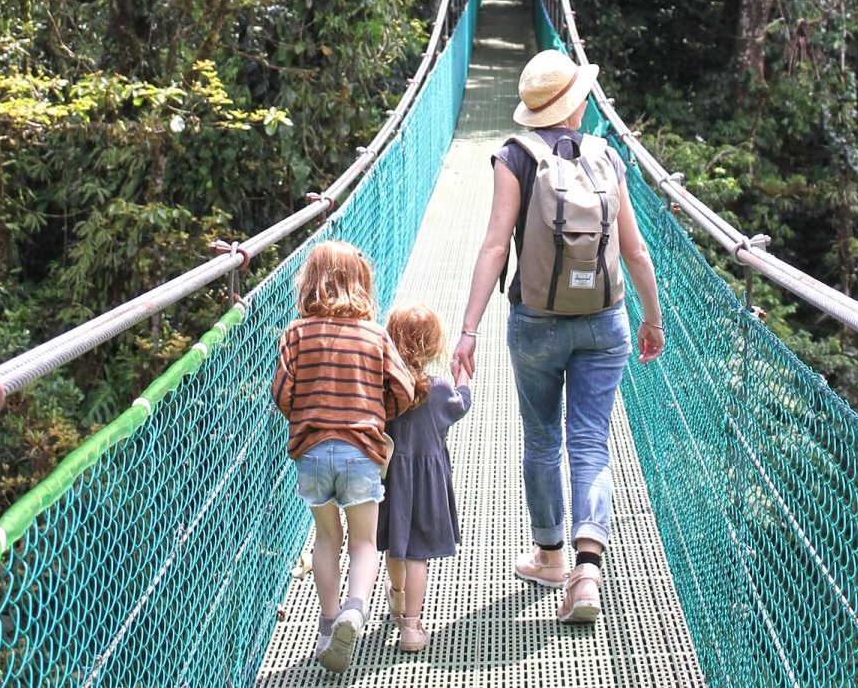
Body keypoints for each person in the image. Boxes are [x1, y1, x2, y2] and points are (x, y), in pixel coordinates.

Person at [451, 49, 666, 624]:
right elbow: (636, 250)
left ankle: (550, 557)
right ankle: (588, 570)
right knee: (592, 441)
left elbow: (496, 247)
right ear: (576, 104)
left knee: (544, 439)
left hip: (536, 323)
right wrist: (653, 317)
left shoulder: (513, 157)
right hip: (606, 320)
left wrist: (467, 330)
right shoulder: (608, 158)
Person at [272, 240, 417, 672]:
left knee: (326, 539)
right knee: (365, 541)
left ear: (309, 283)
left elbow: (282, 396)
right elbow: (405, 391)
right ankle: (356, 608)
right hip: (361, 451)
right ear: (362, 284)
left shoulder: (295, 335)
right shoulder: (375, 335)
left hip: (312, 452)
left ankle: (327, 622)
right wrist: (375, 411)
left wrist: (308, 414)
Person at [377, 303, 472, 652]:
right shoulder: (438, 390)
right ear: (433, 346)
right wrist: (461, 374)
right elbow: (462, 403)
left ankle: (397, 599)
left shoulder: (384, 389)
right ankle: (411, 628)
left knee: (395, 544)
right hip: (426, 483)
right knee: (417, 554)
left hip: (390, 482)